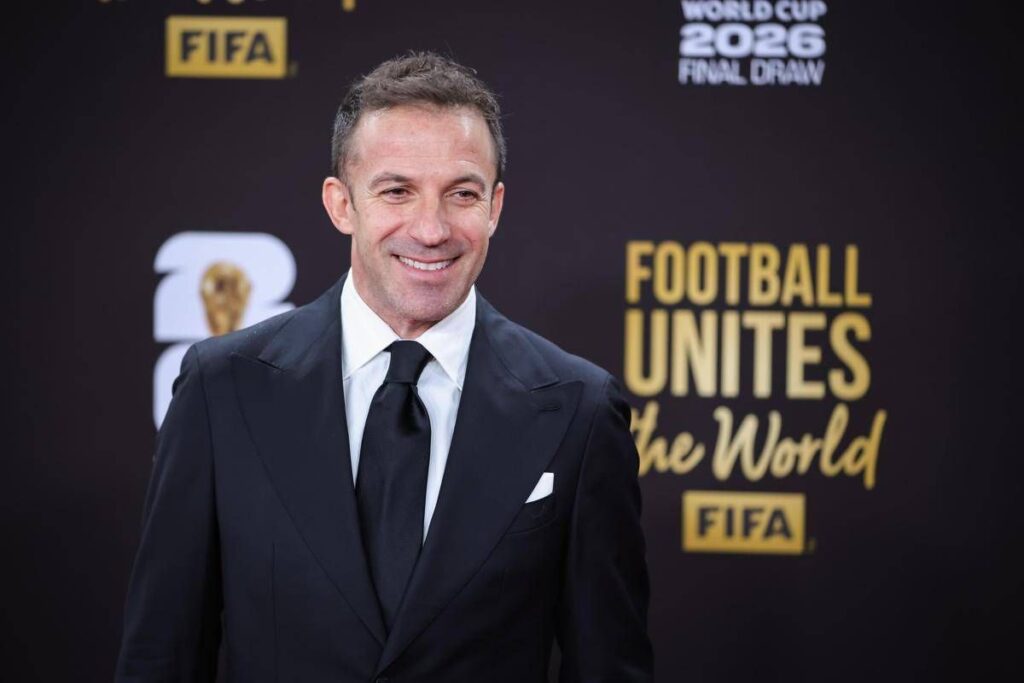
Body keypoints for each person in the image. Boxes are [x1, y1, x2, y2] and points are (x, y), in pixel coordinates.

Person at [116, 52, 653, 683]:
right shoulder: (222, 389)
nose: (431, 229)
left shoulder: (579, 409)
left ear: (495, 208)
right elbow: (162, 655)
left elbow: (608, 666)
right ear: (341, 204)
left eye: (462, 194)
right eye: (397, 191)